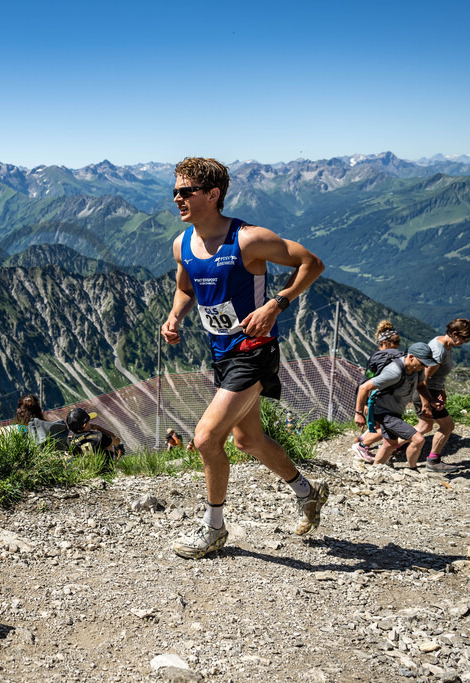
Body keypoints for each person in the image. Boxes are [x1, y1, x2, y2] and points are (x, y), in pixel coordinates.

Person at [160, 157, 328, 560]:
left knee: (205, 438)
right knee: (247, 438)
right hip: (220, 351)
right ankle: (308, 492)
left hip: (252, 351)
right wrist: (174, 316)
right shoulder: (182, 244)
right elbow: (186, 287)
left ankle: (213, 527)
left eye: (187, 191)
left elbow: (312, 263)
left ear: (213, 194)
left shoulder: (248, 239)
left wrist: (276, 304)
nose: (178, 198)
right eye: (175, 192)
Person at [354, 343, 438, 469]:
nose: (425, 366)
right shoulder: (394, 372)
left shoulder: (416, 369)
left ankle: (374, 470)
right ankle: (412, 469)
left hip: (394, 411)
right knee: (418, 439)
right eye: (422, 363)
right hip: (383, 411)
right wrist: (359, 413)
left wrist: (431, 400)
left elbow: (420, 386)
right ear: (411, 357)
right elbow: (364, 387)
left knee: (390, 445)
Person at [413, 318, 470, 472]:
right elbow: (423, 379)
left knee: (425, 426)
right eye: (464, 339)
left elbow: (437, 377)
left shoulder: (443, 344)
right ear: (454, 334)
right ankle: (433, 462)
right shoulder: (439, 351)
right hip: (426, 392)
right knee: (447, 426)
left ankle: (390, 446)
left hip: (433, 392)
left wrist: (442, 393)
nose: (465, 342)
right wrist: (427, 403)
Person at [353, 321, 403, 463]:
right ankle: (362, 446)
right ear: (385, 342)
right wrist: (363, 406)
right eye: (396, 342)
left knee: (380, 425)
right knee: (389, 426)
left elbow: (366, 379)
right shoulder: (383, 358)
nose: (398, 345)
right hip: (378, 399)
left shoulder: (378, 358)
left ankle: (364, 441)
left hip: (378, 399)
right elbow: (367, 382)